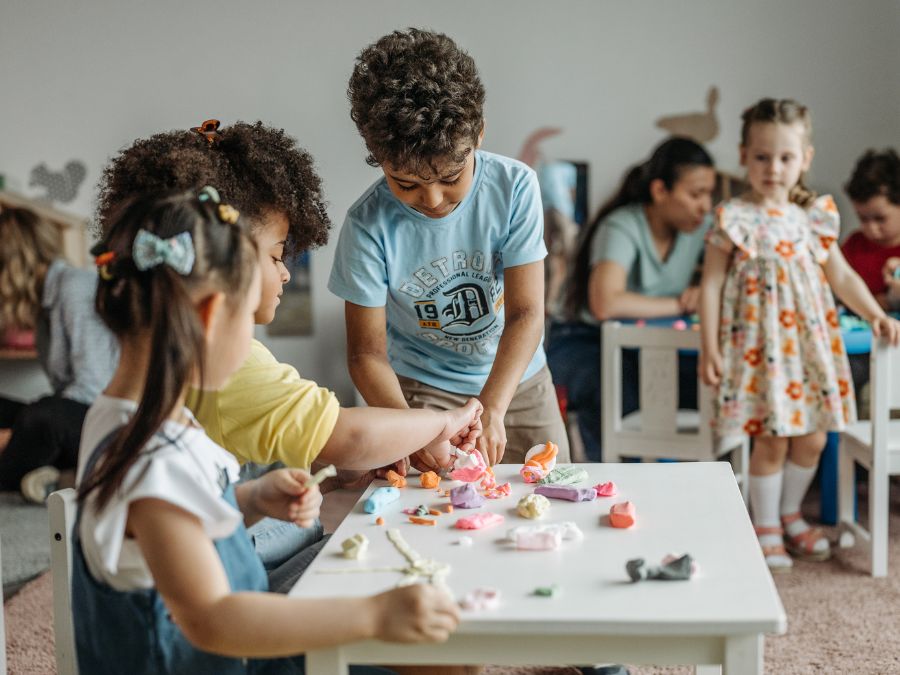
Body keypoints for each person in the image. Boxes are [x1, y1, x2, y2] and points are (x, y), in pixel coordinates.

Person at [75, 188, 462, 674]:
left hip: (231, 653)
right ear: (210, 316)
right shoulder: (153, 462)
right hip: (226, 660)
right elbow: (213, 619)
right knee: (439, 654)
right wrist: (373, 614)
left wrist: (252, 500)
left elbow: (164, 537)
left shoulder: (122, 418)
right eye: (247, 323)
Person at [96, 120, 483, 592]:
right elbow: (349, 435)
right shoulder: (219, 374)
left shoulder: (129, 412)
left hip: (232, 556)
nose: (284, 275)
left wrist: (267, 493)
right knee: (405, 569)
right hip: (230, 606)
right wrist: (442, 422)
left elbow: (193, 501)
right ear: (213, 306)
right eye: (278, 256)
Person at [329, 28, 569, 468]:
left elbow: (526, 313)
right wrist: (408, 429)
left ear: (478, 134)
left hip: (517, 380)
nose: (433, 199)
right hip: (420, 388)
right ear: (375, 153)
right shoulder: (367, 225)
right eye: (406, 184)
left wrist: (493, 407)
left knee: (550, 486)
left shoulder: (514, 188)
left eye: (451, 177)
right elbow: (366, 354)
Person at [699, 98, 900, 572]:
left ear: (805, 159)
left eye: (786, 158)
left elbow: (844, 277)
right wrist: (711, 346)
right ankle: (764, 523)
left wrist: (875, 313)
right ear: (744, 155)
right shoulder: (734, 217)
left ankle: (790, 514)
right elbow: (709, 284)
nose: (774, 168)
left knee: (812, 438)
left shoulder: (815, 216)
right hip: (760, 350)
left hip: (809, 348)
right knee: (771, 439)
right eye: (762, 157)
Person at [546, 137, 715, 460]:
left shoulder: (701, 229)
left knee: (701, 389)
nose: (705, 206)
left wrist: (707, 291)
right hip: (582, 339)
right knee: (618, 393)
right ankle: (612, 482)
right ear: (660, 191)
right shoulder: (622, 225)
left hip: (649, 344)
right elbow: (605, 303)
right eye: (695, 194)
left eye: (709, 194)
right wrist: (683, 302)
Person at [0, 206, 118, 502]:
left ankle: (55, 471)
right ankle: (58, 474)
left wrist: (13, 438)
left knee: (41, 417)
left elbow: (92, 388)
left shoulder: (74, 287)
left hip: (111, 424)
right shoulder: (42, 305)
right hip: (79, 419)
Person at [841, 149, 900, 405]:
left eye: (880, 218)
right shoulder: (854, 246)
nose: (871, 228)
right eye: (863, 219)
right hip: (858, 346)